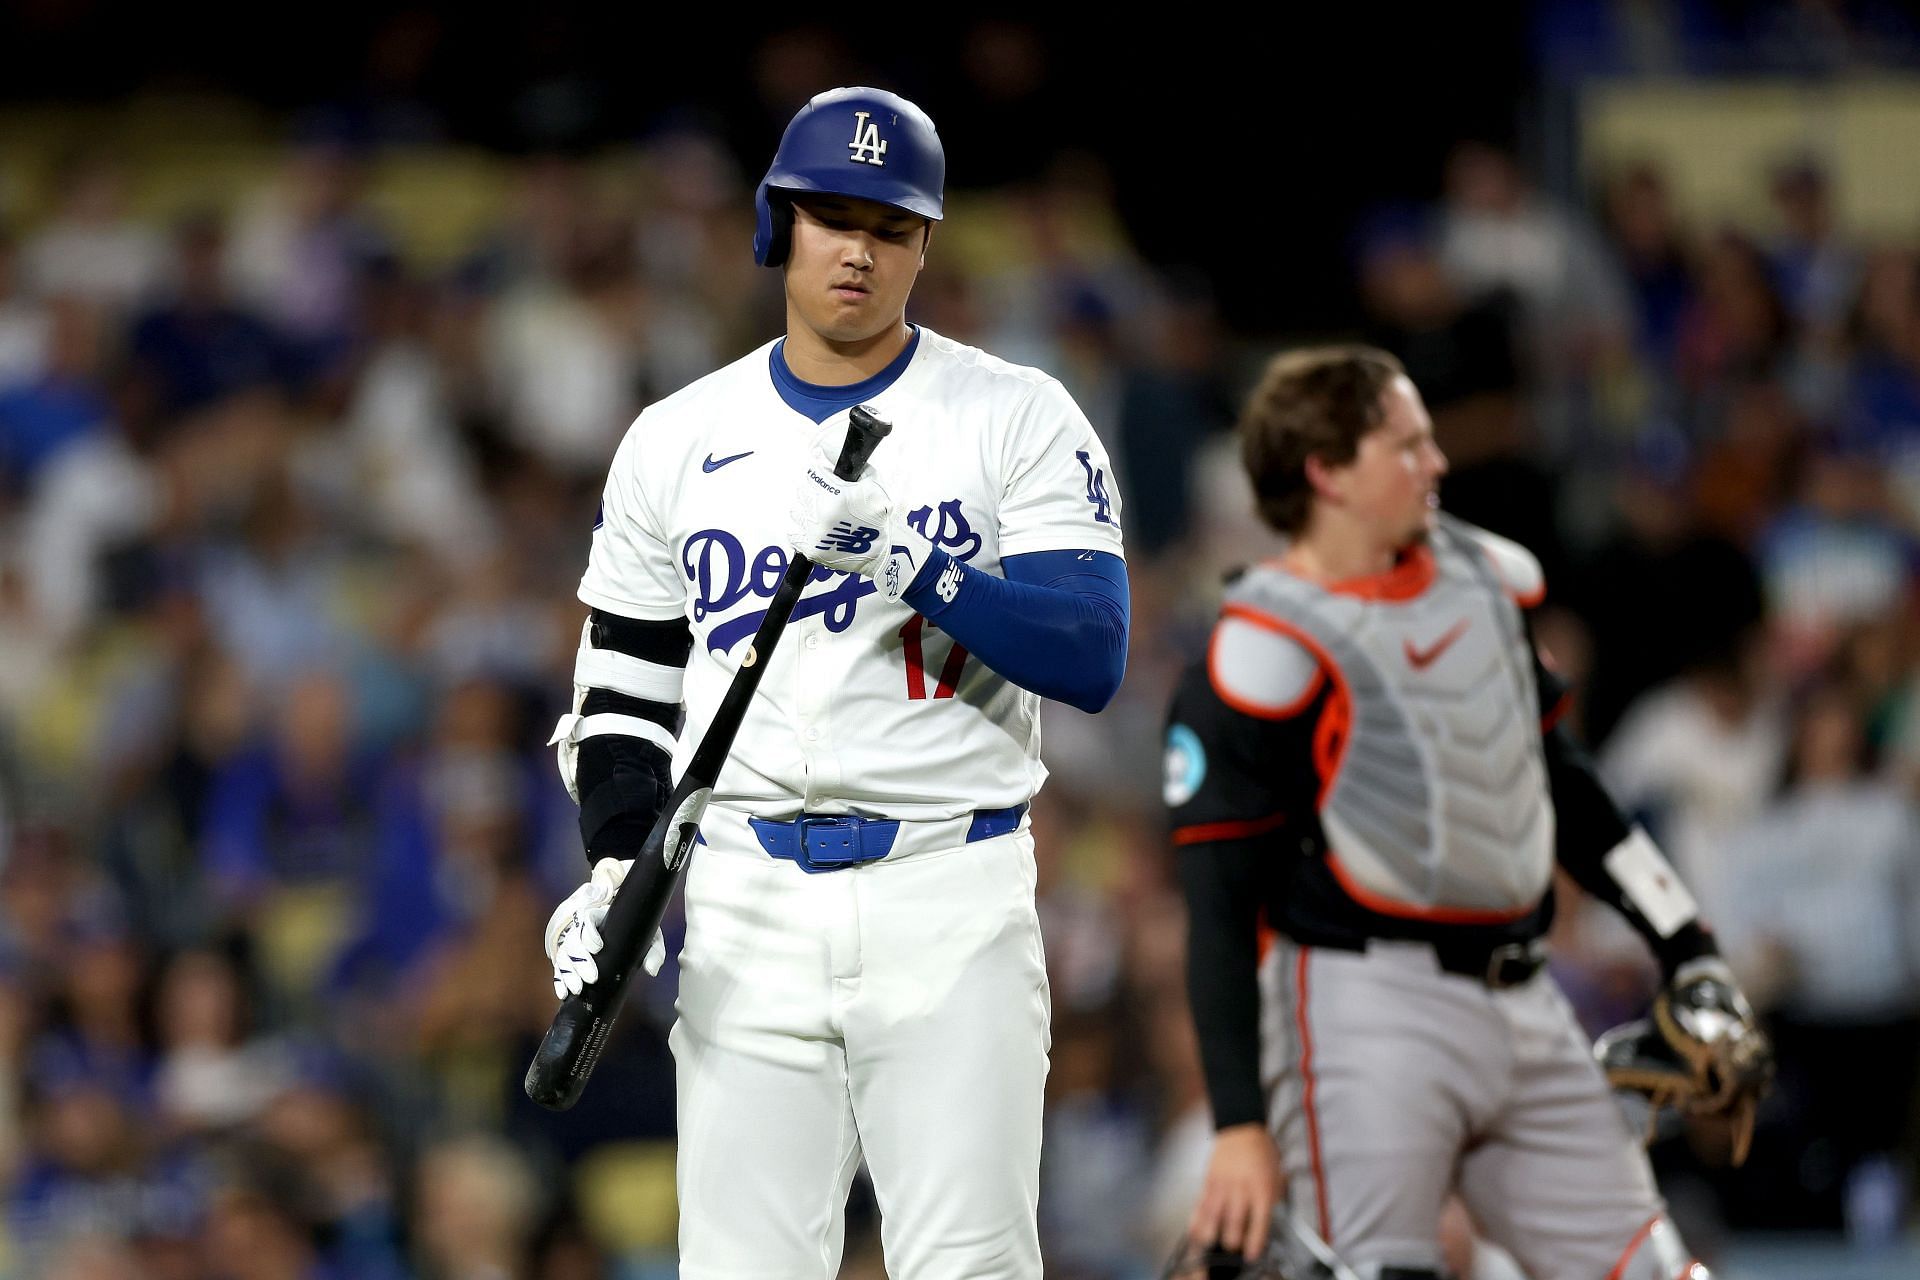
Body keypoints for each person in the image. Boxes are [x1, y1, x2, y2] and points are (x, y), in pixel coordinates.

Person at [538, 87, 1129, 1279]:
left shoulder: (1012, 413)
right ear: (777, 226)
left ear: (926, 242)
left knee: (971, 1266)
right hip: (747, 899)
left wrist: (916, 560)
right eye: (829, 216)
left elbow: (1092, 649)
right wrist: (615, 855)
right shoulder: (676, 434)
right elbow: (624, 685)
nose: (858, 248)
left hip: (949, 884)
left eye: (890, 224)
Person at [1163, 345, 1766, 1279]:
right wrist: (1240, 1122)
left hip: (1526, 995)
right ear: (1327, 473)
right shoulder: (1261, 649)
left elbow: (1564, 784)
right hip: (1364, 1004)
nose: (1437, 463)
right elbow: (1217, 904)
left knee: (1658, 1275)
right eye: (1407, 446)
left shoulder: (1484, 581)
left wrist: (1687, 944)